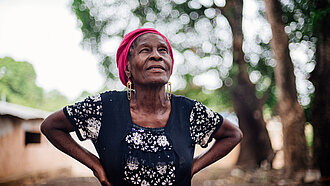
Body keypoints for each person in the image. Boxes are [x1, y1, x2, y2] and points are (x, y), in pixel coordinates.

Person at [40, 28, 242, 186]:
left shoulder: (188, 112)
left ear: (170, 65)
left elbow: (233, 134)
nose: (156, 56)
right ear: (127, 66)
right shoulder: (104, 108)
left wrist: (194, 166)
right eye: (146, 50)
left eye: (163, 50)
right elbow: (51, 126)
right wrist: (95, 166)